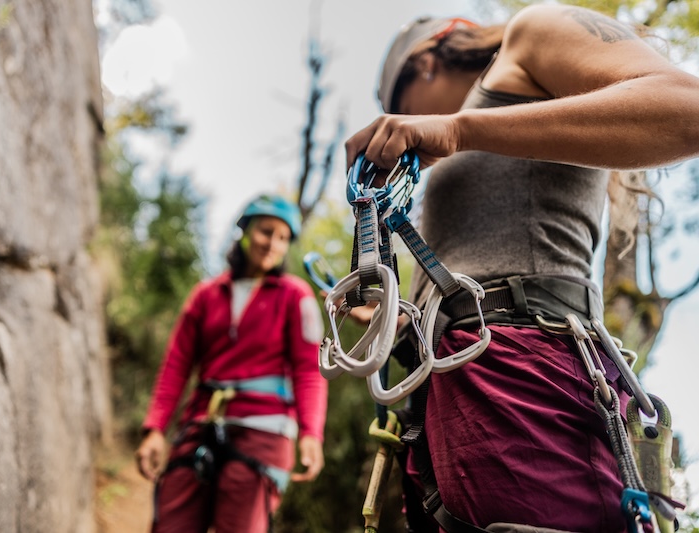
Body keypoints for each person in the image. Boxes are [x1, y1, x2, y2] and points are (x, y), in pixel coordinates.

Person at [344, 4, 699, 533]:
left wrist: (459, 128)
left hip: (526, 381)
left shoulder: (533, 31)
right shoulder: (481, 135)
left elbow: (686, 109)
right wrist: (408, 322)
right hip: (460, 403)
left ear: (422, 65)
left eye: (398, 107)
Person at [135, 194, 328, 533]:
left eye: (283, 238)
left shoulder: (295, 296)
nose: (273, 243)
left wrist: (311, 433)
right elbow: (177, 364)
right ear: (244, 231)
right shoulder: (206, 294)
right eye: (266, 231)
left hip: (265, 431)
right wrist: (155, 429)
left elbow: (309, 370)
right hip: (201, 422)